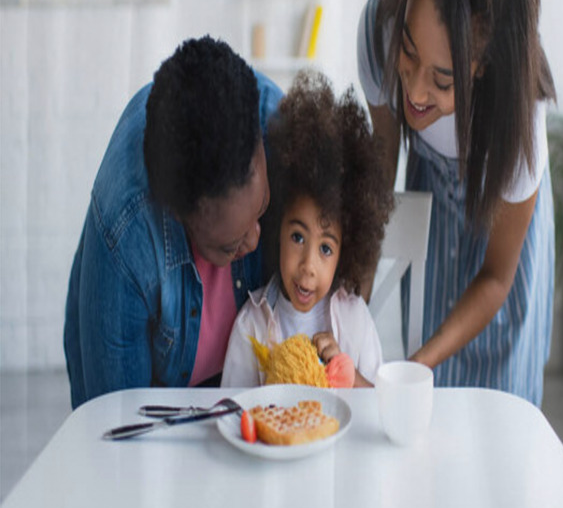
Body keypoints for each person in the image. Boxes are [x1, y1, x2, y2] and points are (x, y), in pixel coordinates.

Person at [357, 0, 556, 406]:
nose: (416, 93)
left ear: (484, 64)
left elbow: (495, 278)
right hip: (432, 194)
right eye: (409, 51)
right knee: (432, 413)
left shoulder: (519, 121)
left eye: (443, 79)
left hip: (502, 241)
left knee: (494, 408)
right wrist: (348, 313)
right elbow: (379, 181)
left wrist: (414, 367)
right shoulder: (380, 28)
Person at [64, 36, 283, 408]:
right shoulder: (126, 231)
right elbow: (119, 426)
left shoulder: (275, 125)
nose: (255, 240)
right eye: (229, 245)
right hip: (150, 390)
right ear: (179, 213)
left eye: (261, 209)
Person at [221, 70, 394, 389]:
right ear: (276, 227)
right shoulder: (253, 324)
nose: (308, 266)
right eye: (298, 237)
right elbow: (232, 410)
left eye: (326, 248)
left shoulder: (354, 319)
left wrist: (349, 376)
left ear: (347, 250)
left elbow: (378, 409)